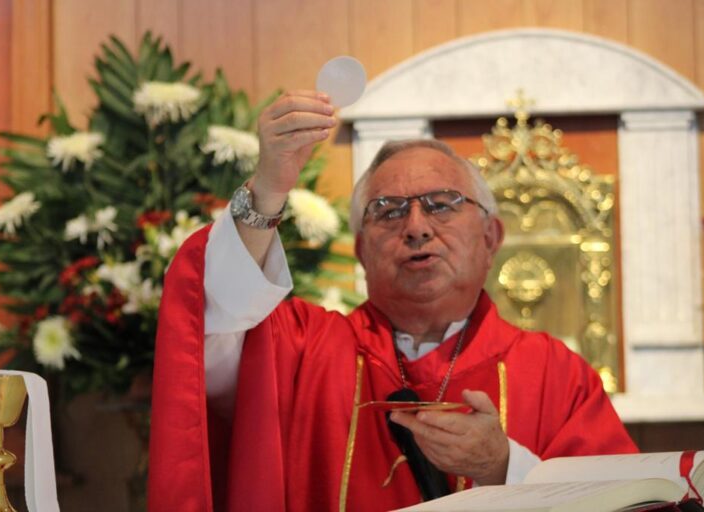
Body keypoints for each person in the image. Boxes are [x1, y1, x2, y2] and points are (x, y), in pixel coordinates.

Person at [148, 91, 637, 512]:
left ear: (491, 237)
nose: (417, 226)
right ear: (361, 249)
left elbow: (628, 500)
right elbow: (209, 321)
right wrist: (269, 188)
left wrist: (504, 466)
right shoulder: (301, 351)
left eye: (442, 203)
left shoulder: (555, 373)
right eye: (388, 211)